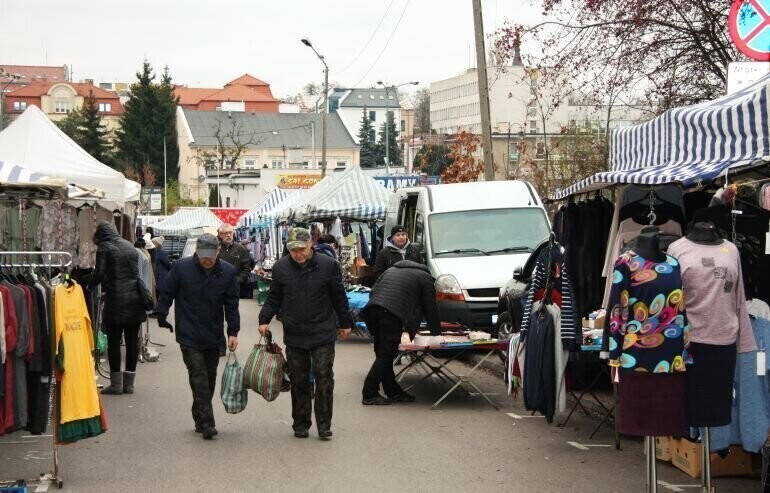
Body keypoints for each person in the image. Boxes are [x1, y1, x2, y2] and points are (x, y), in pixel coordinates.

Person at [258, 227, 352, 440]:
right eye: (293, 251)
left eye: (301, 249)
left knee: (323, 376)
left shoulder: (328, 265)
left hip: (322, 330)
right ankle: (300, 423)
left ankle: (324, 424)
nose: (298, 254)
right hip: (295, 331)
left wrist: (345, 322)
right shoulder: (281, 268)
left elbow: (339, 296)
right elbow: (274, 297)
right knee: (299, 380)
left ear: (310, 244)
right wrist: (264, 319)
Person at [154, 233, 240, 440]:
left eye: (211, 255)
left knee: (209, 379)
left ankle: (199, 416)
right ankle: (208, 423)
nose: (207, 259)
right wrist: (161, 314)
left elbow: (232, 304)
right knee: (198, 377)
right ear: (197, 252)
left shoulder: (227, 272)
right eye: (203, 255)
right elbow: (167, 292)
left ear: (218, 251)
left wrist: (233, 332)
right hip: (188, 333)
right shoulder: (181, 268)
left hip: (213, 334)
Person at [361, 260, 441, 405]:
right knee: (387, 353)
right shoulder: (425, 277)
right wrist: (437, 333)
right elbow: (431, 307)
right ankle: (369, 392)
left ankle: (393, 391)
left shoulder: (391, 270)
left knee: (382, 353)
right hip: (390, 314)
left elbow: (373, 291)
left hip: (373, 310)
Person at [88, 221, 148, 395]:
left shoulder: (104, 248)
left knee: (114, 342)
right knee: (131, 342)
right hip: (136, 299)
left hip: (116, 300)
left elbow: (98, 273)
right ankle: (129, 384)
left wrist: (88, 287)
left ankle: (115, 385)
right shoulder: (129, 245)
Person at [151, 236, 171, 305]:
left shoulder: (160, 252)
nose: (151, 243)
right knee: (158, 294)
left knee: (159, 294)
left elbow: (167, 264)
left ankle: (159, 310)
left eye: (152, 242)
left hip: (160, 276)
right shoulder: (156, 252)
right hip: (158, 276)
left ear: (157, 243)